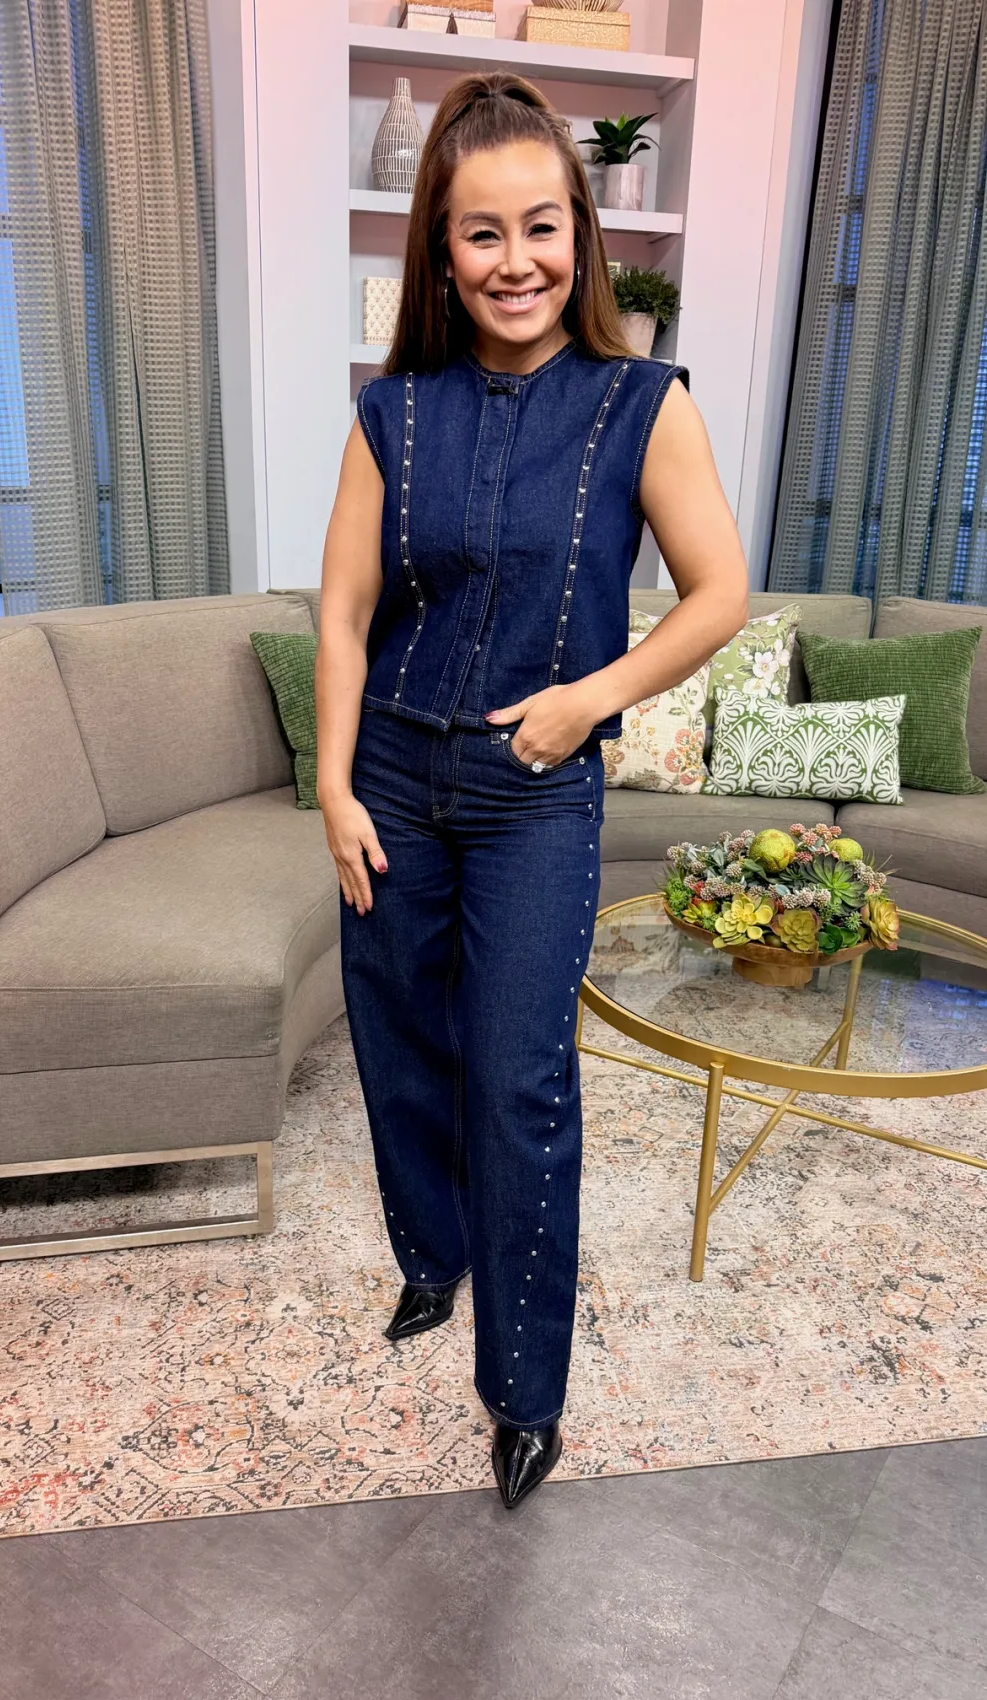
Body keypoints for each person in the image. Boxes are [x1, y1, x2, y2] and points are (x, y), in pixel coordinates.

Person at [316, 71, 748, 1510]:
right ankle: (431, 1259)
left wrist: (588, 700)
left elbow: (719, 592)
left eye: (542, 227)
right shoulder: (394, 413)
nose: (517, 261)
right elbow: (343, 614)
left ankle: (523, 1391)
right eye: (482, 232)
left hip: (534, 791)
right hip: (392, 773)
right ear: (441, 251)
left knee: (517, 1081)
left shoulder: (641, 405)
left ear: (584, 234)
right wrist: (333, 786)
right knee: (400, 1044)